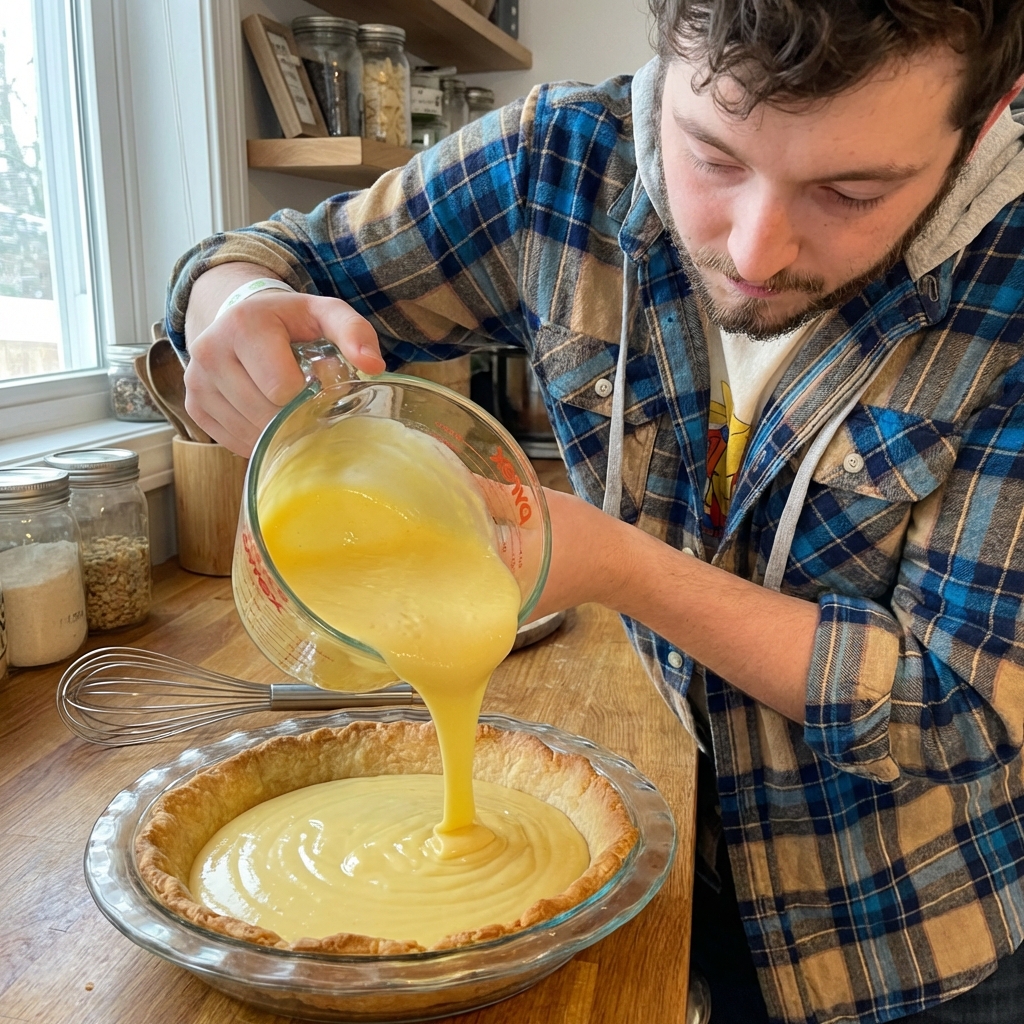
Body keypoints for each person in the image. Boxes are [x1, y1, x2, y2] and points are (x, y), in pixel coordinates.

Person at [166, 2, 1024, 1021]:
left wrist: (622, 567)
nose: (753, 249)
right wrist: (228, 311)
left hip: (903, 927)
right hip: (663, 866)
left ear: (984, 121)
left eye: (848, 190)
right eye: (711, 155)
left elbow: (960, 704)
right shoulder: (559, 165)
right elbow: (272, 256)